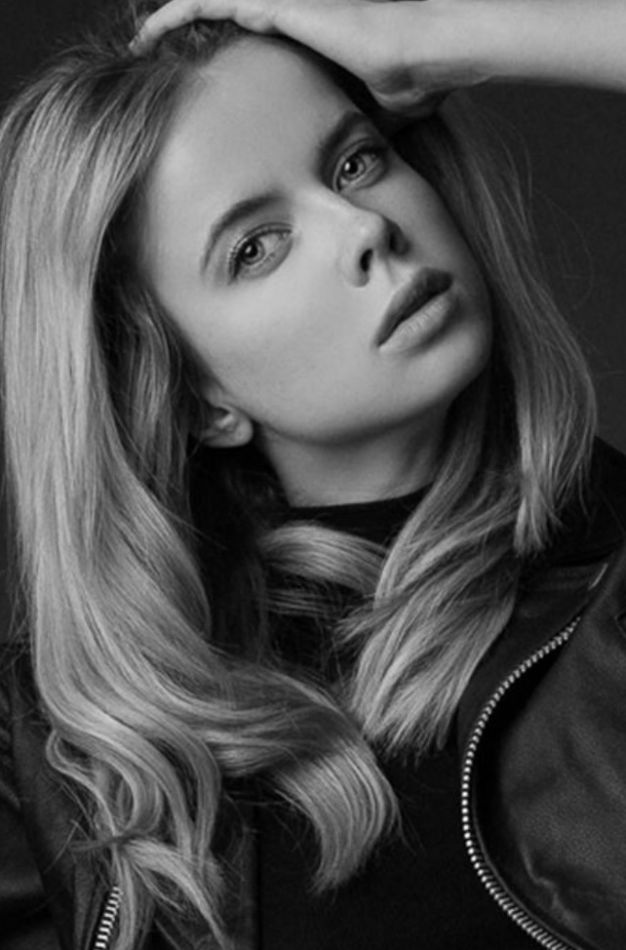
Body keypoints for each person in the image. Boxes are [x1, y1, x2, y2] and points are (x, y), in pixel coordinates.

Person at [0, 0, 625, 948]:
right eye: (256, 247)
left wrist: (447, 36)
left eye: (356, 162)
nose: (361, 226)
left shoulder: (610, 604)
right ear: (194, 394)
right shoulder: (68, 746)